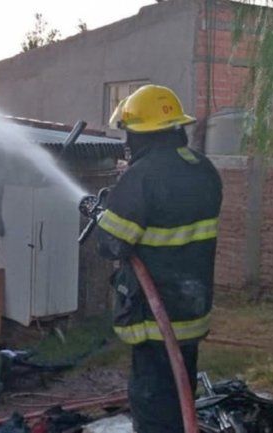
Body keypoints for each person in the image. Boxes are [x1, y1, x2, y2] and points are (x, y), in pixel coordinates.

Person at [96, 85, 222, 433]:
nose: (127, 142)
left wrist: (104, 216)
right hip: (192, 311)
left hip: (155, 318)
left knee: (153, 409)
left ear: (143, 134)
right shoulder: (204, 169)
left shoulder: (143, 176)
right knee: (179, 400)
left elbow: (111, 245)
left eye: (129, 134)